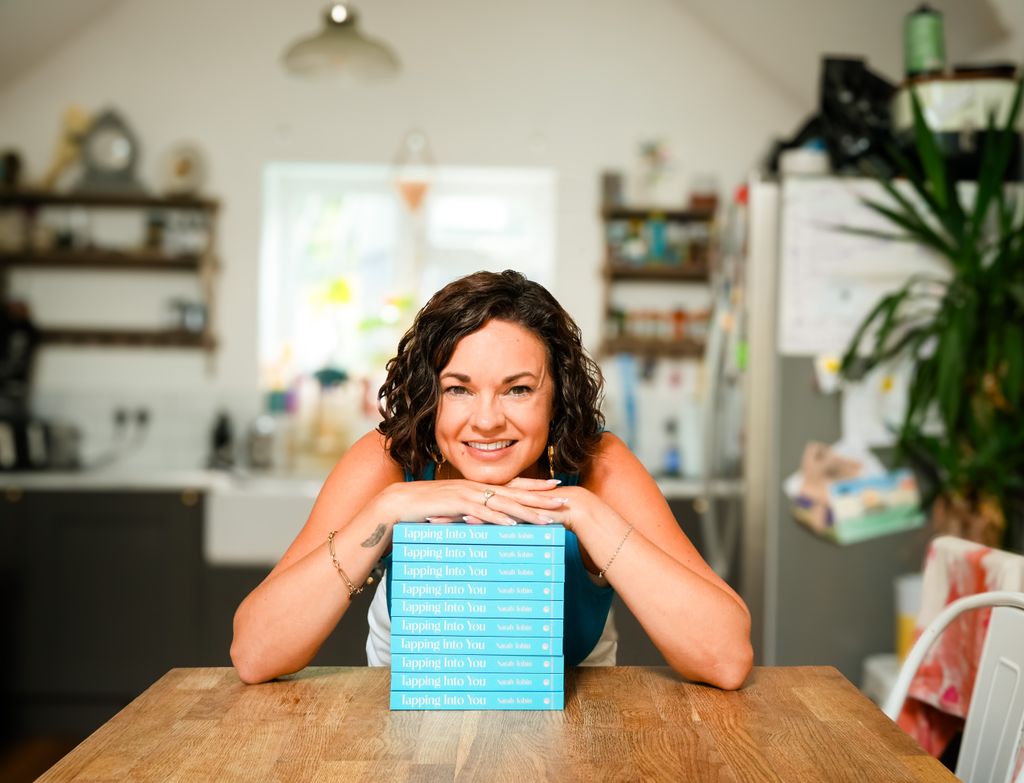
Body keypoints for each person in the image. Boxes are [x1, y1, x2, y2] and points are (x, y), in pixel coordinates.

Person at [231, 270, 752, 689]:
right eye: (459, 389)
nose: (486, 420)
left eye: (517, 390)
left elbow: (727, 658)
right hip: (406, 752)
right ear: (430, 396)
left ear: (557, 397)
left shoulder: (597, 465)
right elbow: (255, 653)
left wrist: (583, 511)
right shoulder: (389, 461)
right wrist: (385, 510)